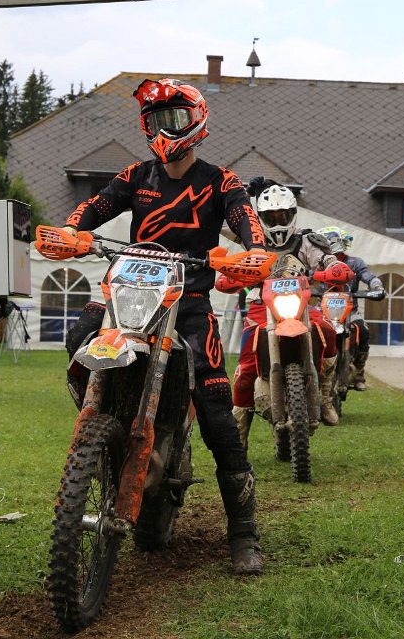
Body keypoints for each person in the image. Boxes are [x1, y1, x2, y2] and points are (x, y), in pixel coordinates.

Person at [60, 78, 269, 575]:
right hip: (130, 295)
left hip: (189, 302)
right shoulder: (136, 175)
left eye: (173, 118)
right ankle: (107, 426)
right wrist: (71, 231)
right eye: (156, 120)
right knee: (78, 336)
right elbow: (96, 206)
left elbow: (246, 219)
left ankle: (244, 533)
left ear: (196, 121)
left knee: (217, 413)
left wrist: (254, 251)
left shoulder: (221, 181)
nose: (164, 129)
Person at [216, 179, 354, 446]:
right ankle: (238, 437)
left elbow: (326, 260)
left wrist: (333, 268)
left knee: (328, 330)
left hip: (301, 305)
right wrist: (243, 196)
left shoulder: (307, 240)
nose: (278, 221)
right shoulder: (252, 240)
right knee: (245, 369)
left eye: (283, 215)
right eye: (271, 216)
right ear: (261, 217)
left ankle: (325, 395)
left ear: (293, 214)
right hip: (261, 306)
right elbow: (225, 223)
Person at [316, 226, 386, 390]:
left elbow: (369, 276)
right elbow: (304, 275)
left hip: (349, 310)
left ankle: (359, 372)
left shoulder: (355, 262)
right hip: (322, 310)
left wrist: (377, 286)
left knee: (363, 330)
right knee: (311, 331)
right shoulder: (317, 262)